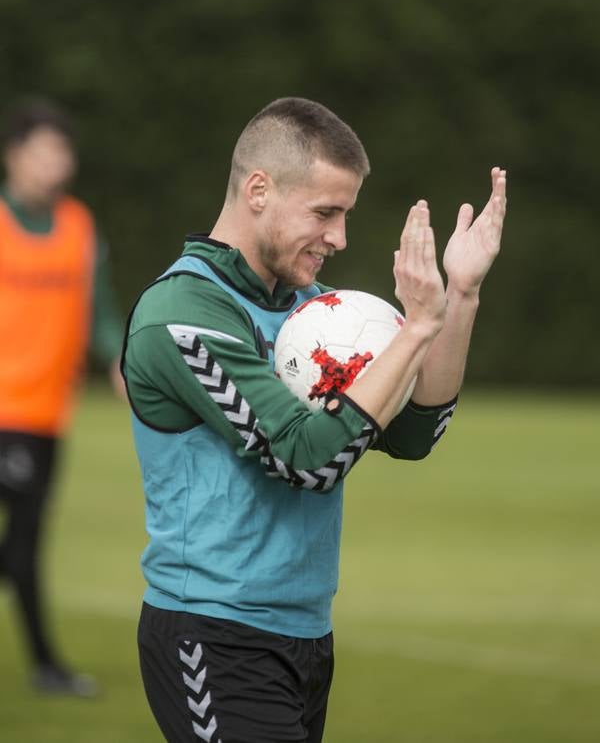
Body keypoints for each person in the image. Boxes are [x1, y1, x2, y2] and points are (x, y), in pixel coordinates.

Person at [123, 96, 506, 743]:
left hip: (305, 634)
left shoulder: (315, 313)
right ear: (259, 190)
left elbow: (413, 434)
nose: (340, 237)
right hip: (213, 635)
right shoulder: (182, 315)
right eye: (325, 213)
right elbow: (307, 459)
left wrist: (460, 295)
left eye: (347, 215)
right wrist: (417, 329)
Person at [0, 98, 124, 696]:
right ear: (14, 156)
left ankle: (46, 668)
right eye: (42, 150)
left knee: (23, 546)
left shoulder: (79, 226)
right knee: (19, 547)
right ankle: (48, 667)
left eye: (62, 151)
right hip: (3, 411)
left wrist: (126, 361)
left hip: (49, 414)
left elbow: (99, 316)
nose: (55, 163)